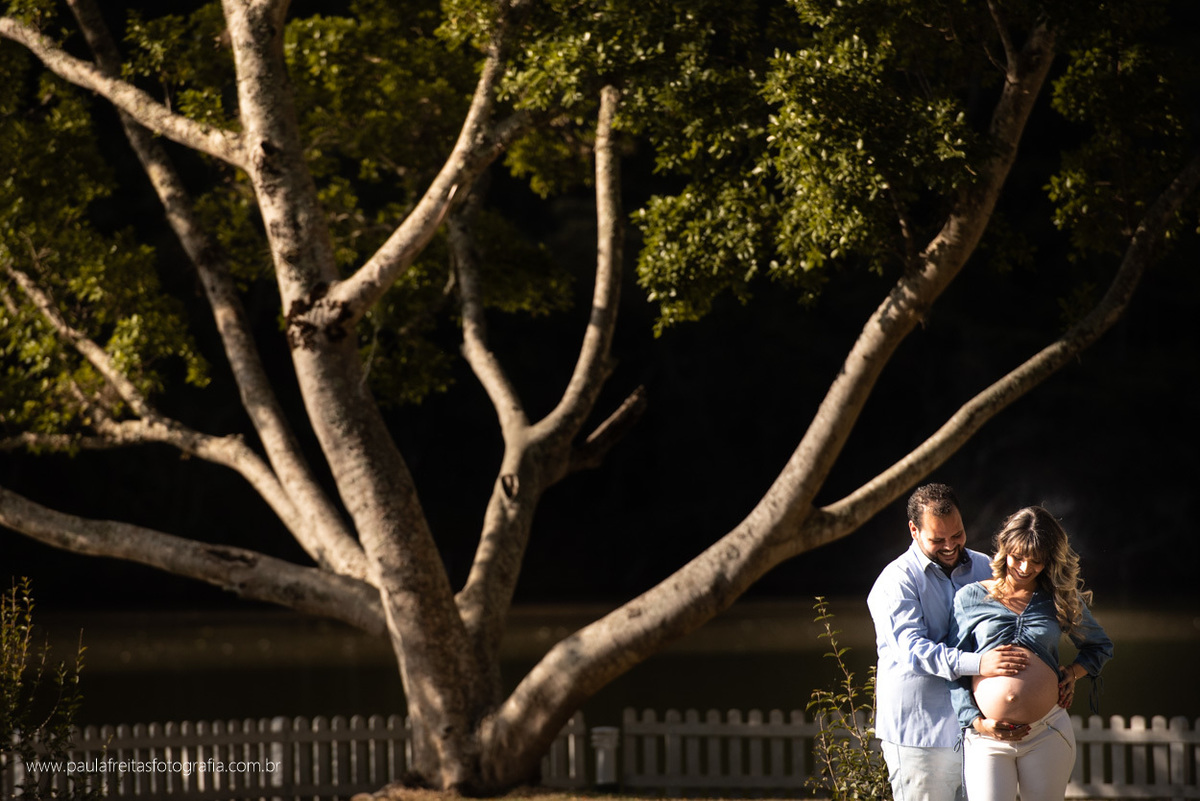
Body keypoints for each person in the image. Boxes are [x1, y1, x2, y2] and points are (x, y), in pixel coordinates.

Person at [868, 483, 1029, 801]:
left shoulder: (985, 567)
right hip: (920, 737)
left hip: (980, 731)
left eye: (957, 535)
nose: (950, 546)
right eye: (937, 539)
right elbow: (914, 652)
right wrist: (980, 663)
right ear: (914, 530)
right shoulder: (896, 581)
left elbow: (1018, 627)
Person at [949, 506, 1114, 801]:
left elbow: (1099, 646)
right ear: (1004, 549)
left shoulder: (1060, 599)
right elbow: (955, 668)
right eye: (1018, 557)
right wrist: (976, 722)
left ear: (1049, 561)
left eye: (1037, 561)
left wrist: (1071, 673)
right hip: (987, 737)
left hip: (1046, 731)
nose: (1025, 568)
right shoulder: (970, 598)